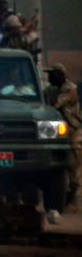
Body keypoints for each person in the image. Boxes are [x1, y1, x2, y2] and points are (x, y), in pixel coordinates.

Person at [46, 63, 82, 210]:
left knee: (74, 164)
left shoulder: (69, 89)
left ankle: (73, 197)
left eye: (52, 74)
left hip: (74, 131)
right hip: (62, 131)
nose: (49, 77)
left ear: (59, 75)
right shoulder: (58, 89)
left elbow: (56, 104)